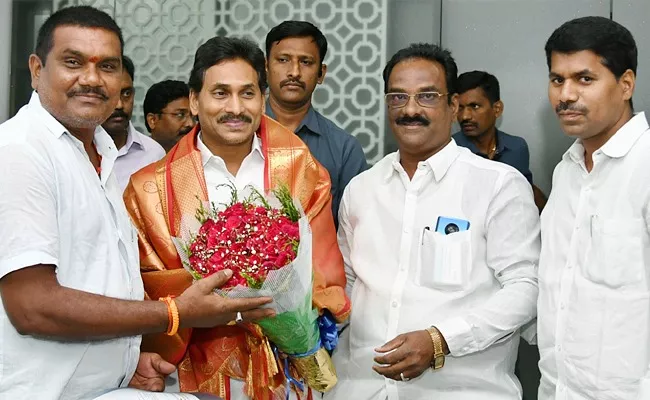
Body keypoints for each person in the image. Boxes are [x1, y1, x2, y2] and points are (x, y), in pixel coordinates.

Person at [0, 6, 274, 399]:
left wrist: (129, 361)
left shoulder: (101, 156)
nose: (92, 79)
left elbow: (95, 281)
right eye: (73, 62)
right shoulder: (20, 151)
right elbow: (32, 307)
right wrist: (174, 313)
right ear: (36, 69)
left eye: (107, 67)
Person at [123, 36, 351, 399]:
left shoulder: (300, 170)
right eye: (220, 93)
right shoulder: (149, 189)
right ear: (195, 101)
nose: (235, 107)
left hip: (288, 372)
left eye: (247, 93)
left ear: (262, 100)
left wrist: (294, 320)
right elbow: (146, 290)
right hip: (193, 375)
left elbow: (325, 273)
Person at [326, 43, 540, 400]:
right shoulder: (362, 188)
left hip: (461, 391)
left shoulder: (497, 185)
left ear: (452, 105)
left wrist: (440, 339)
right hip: (361, 389)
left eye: (426, 96)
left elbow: (525, 288)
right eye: (398, 97)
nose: (410, 110)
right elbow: (346, 285)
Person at [538, 16, 650, 399]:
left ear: (625, 84)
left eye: (584, 79)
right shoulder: (566, 171)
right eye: (557, 80)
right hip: (558, 388)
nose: (565, 94)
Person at [264, 21, 367, 227]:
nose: (294, 72)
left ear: (321, 73)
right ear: (265, 68)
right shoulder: (239, 135)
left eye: (306, 62)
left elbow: (354, 230)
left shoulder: (344, 149)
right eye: (283, 60)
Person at [453, 70, 547, 212]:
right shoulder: (450, 150)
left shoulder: (516, 147)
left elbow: (526, 193)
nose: (465, 116)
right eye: (460, 108)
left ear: (497, 109)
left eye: (475, 106)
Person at [102, 55, 165, 191]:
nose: (119, 105)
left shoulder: (153, 155)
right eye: (110, 94)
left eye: (126, 94)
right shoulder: (75, 151)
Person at [144, 80, 196, 152]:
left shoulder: (201, 157)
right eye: (180, 115)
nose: (191, 124)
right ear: (152, 120)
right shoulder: (139, 160)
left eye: (193, 116)